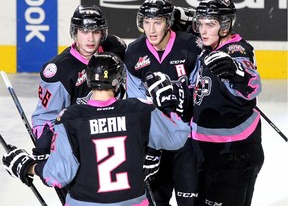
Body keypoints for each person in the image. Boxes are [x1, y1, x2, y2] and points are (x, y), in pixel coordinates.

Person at [2, 52, 191, 206]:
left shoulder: (70, 118)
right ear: (119, 80)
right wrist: (169, 107)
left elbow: (58, 175)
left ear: (89, 79)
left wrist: (28, 166)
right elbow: (177, 138)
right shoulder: (139, 110)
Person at [30, 4, 126, 202]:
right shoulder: (60, 70)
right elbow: (45, 116)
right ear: (75, 33)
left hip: (115, 141)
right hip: (79, 147)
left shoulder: (114, 50)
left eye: (96, 31)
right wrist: (44, 147)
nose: (90, 38)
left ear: (103, 33)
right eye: (84, 31)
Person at [124, 0, 201, 206]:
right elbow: (135, 104)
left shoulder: (191, 47)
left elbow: (201, 96)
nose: (151, 29)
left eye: (157, 22)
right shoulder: (134, 52)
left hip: (187, 143)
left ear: (168, 22)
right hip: (155, 146)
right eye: (146, 23)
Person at [190, 0, 264, 206]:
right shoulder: (207, 45)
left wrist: (237, 73)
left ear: (224, 26)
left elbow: (252, 86)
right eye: (200, 24)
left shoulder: (236, 50)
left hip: (233, 154)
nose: (203, 30)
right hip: (204, 150)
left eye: (210, 25)